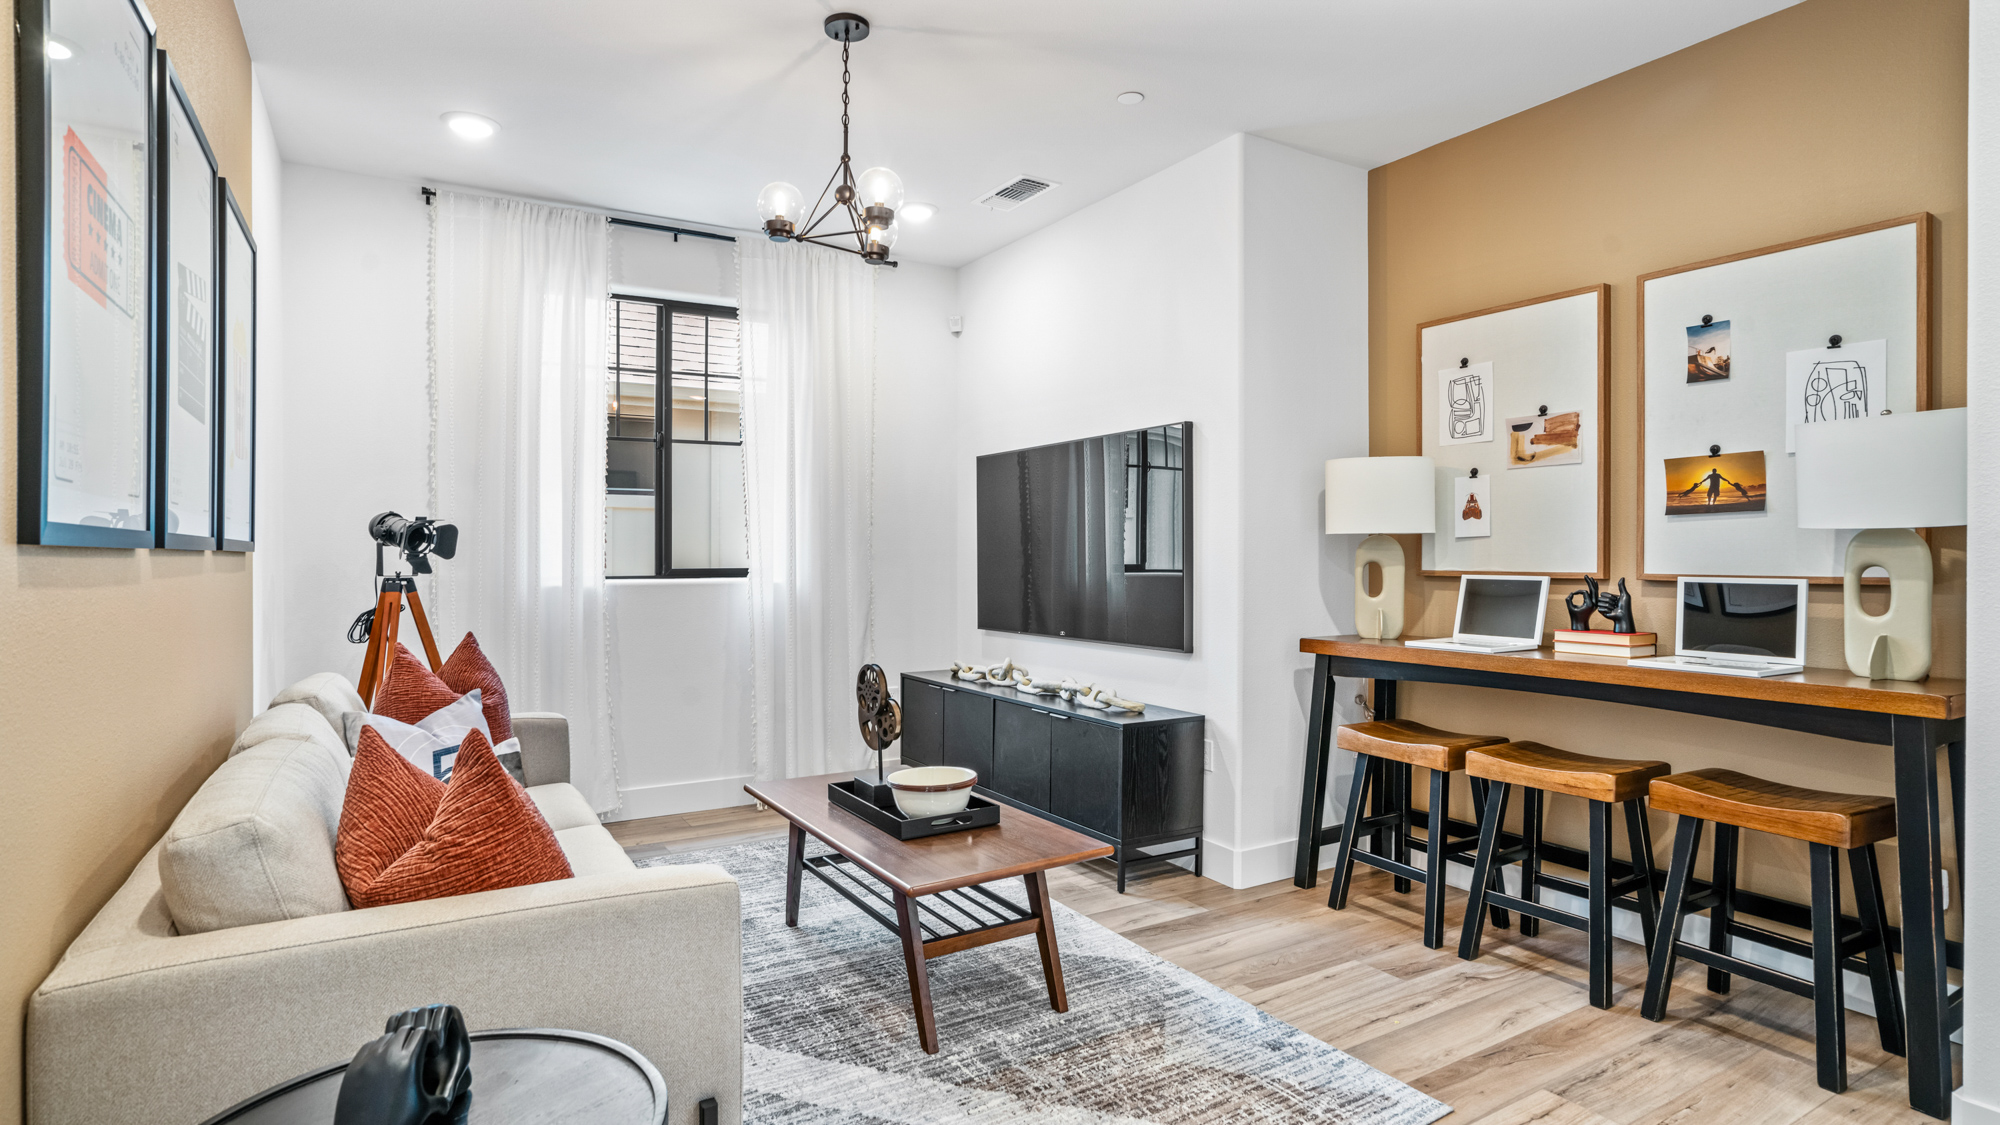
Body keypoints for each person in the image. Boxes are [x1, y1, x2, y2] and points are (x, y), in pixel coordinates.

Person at [1679, 466, 1744, 508]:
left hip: (1715, 487)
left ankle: (1712, 504)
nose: (1714, 471)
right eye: (1714, 471)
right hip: (1713, 487)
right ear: (1713, 471)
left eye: (1714, 471)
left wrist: (1727, 480)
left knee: (1714, 495)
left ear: (1715, 471)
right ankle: (1709, 503)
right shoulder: (1711, 475)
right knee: (1710, 495)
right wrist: (1701, 482)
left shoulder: (1717, 475)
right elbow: (1705, 479)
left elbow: (1722, 478)